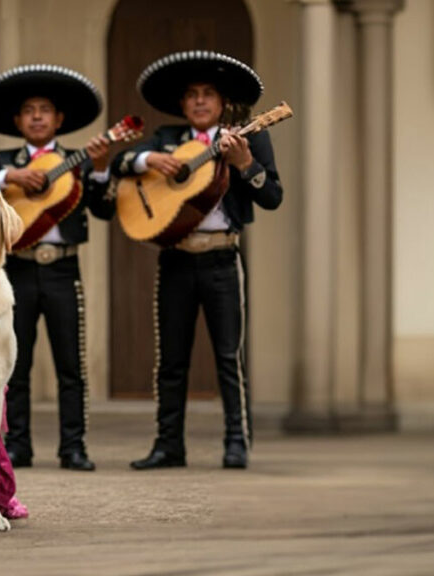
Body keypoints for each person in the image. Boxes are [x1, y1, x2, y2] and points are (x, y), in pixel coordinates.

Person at [111, 51, 284, 470]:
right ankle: (169, 444)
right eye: (192, 95)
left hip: (222, 259)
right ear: (183, 104)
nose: (201, 101)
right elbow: (119, 164)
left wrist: (245, 164)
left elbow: (273, 196)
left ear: (222, 102)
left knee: (229, 356)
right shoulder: (167, 138)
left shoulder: (250, 138)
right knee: (171, 358)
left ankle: (236, 442)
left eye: (209, 94)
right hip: (176, 260)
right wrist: (146, 159)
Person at [0, 65, 115, 471]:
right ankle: (18, 445)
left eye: (45, 110)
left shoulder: (77, 161)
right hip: (15, 270)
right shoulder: (3, 160)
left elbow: (105, 208)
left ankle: (74, 446)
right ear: (17, 121)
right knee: (16, 361)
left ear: (59, 120)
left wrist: (101, 168)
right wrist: (8, 175)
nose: (37, 116)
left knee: (71, 363)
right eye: (29, 110)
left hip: (63, 270)